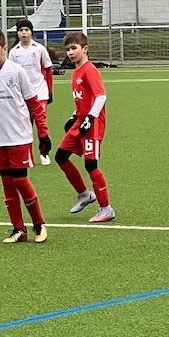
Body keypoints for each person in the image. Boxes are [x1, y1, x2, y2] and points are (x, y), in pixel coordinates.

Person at [0, 28, 51, 244]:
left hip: (19, 136)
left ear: (4, 48)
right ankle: (18, 229)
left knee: (20, 180)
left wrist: (43, 133)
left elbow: (33, 104)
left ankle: (39, 224)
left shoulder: (17, 71)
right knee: (7, 183)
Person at [54, 31, 116, 223]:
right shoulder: (76, 72)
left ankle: (106, 209)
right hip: (80, 122)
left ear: (85, 49)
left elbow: (100, 96)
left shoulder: (90, 70)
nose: (70, 52)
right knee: (61, 156)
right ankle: (84, 194)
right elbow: (83, 100)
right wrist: (73, 116)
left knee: (91, 165)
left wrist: (89, 118)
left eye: (74, 48)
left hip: (92, 125)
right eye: (68, 49)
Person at [9, 18, 56, 164]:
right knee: (25, 124)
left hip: (40, 92)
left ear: (31, 32)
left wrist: (50, 91)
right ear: (17, 33)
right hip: (23, 95)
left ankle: (44, 152)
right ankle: (27, 154)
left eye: (26, 30)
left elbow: (48, 70)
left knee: (41, 122)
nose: (24, 33)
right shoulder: (13, 52)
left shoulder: (39, 49)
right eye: (21, 30)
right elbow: (12, 75)